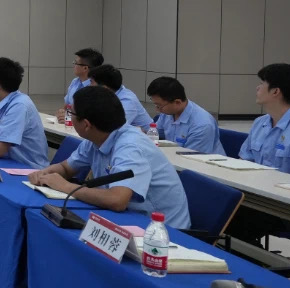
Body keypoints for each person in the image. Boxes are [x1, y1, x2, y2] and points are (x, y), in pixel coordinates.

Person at [31, 86, 191, 228]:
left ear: (86, 124)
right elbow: (66, 168)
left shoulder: (130, 146)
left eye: (71, 113)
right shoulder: (97, 137)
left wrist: (66, 187)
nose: (68, 116)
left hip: (162, 232)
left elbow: (117, 200)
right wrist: (44, 174)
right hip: (128, 219)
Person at [146, 76, 224, 154]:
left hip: (199, 160)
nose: (157, 109)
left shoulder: (202, 125)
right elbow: (155, 134)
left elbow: (191, 157)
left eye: (159, 106)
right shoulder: (168, 112)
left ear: (177, 102)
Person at [87, 64, 153, 130]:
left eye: (91, 82)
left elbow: (114, 128)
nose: (89, 85)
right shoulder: (107, 94)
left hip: (148, 135)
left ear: (104, 88)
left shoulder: (128, 101)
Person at [56, 48, 103, 122]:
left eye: (75, 63)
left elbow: (95, 117)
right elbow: (66, 107)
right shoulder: (75, 82)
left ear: (85, 68)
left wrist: (71, 118)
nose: (73, 65)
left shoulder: (97, 87)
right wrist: (61, 112)